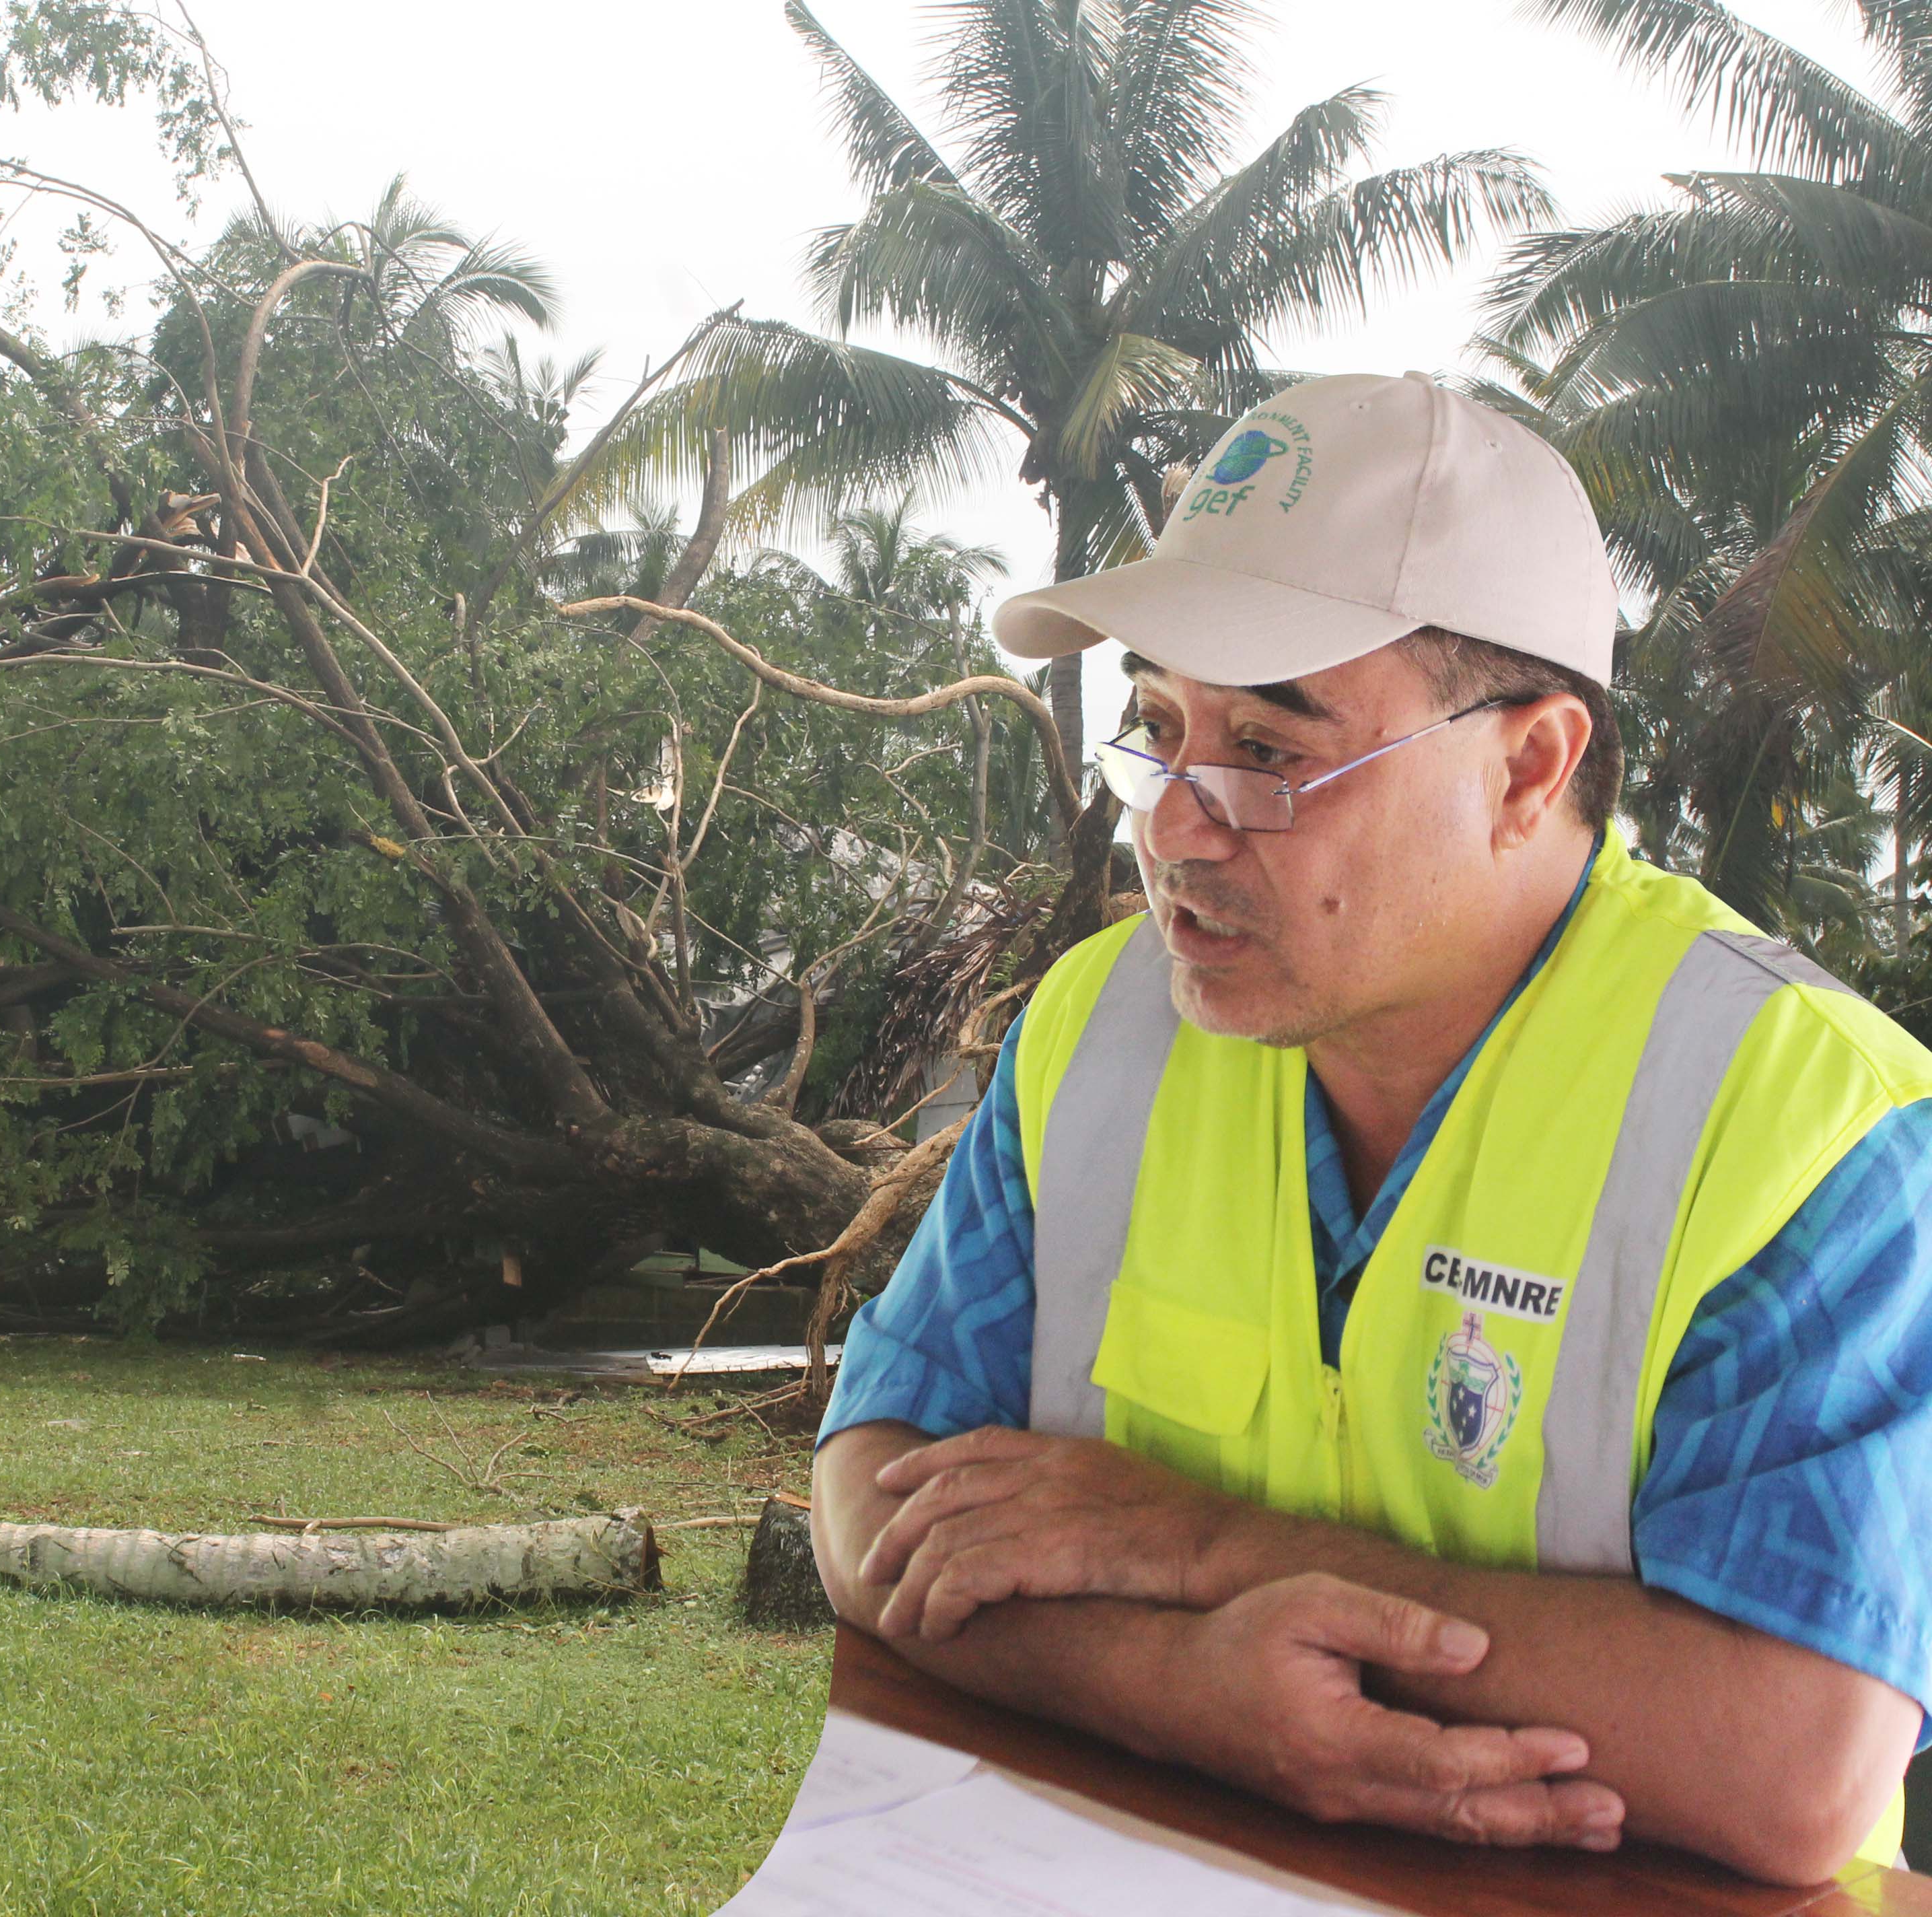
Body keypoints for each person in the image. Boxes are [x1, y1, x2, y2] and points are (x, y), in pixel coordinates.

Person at [808, 372, 1932, 1886]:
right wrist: (1173, 1689)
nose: (1173, 824)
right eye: (1159, 723)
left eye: (1270, 752)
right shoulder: (1102, 1035)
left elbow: (1791, 1753)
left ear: (1528, 766)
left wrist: (1202, 1548)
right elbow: (872, 1481)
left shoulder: (1799, 1120)